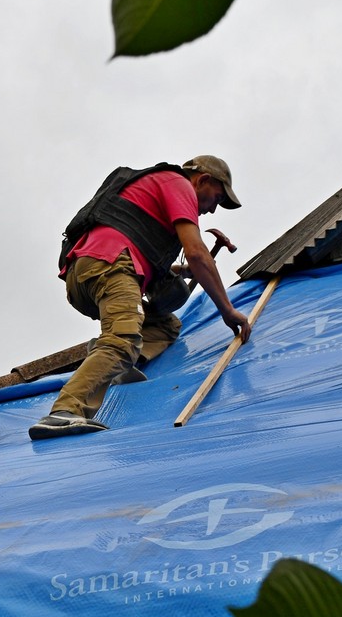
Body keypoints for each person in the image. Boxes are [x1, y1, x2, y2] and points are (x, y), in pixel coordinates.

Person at [28, 156, 252, 440]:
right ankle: (64, 412)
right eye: (216, 198)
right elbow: (197, 254)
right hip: (111, 265)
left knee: (167, 325)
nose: (211, 210)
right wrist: (227, 310)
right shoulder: (180, 184)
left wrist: (177, 270)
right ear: (203, 180)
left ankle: (122, 362)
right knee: (123, 340)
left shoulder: (157, 187)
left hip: (84, 274)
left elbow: (135, 243)